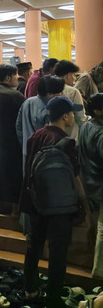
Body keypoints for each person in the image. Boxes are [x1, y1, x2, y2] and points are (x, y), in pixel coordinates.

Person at [20, 96, 87, 307]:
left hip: (35, 201)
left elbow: (28, 168)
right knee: (58, 253)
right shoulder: (66, 142)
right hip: (59, 208)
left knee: (34, 247)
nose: (74, 118)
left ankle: (30, 290)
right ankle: (54, 298)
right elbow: (74, 178)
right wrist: (83, 202)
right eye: (72, 115)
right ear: (65, 116)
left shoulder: (35, 136)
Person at [0, 64, 25, 215]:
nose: (17, 78)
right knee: (15, 174)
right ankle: (16, 210)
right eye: (16, 75)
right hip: (12, 141)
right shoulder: (14, 95)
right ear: (8, 77)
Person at [17, 75, 65, 172]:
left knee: (28, 180)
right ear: (50, 94)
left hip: (27, 150)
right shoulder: (49, 109)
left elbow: (18, 127)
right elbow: (51, 135)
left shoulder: (27, 102)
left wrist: (25, 144)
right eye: (59, 92)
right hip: (43, 155)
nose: (62, 94)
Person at [77, 93, 103, 278]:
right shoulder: (100, 132)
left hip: (88, 183)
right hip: (99, 184)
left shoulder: (85, 126)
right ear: (98, 111)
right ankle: (98, 270)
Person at [54, 60, 86, 140]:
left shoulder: (48, 89)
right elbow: (80, 118)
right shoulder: (73, 92)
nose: (74, 78)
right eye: (73, 75)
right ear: (67, 75)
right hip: (70, 138)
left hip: (52, 138)